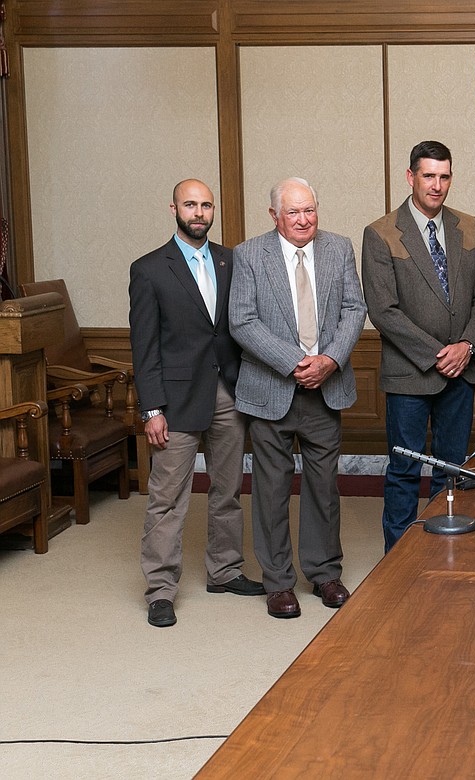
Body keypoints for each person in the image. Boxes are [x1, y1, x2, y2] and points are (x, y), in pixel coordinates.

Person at [129, 179, 264, 628]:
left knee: (228, 491)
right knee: (167, 499)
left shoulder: (231, 260)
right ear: (173, 208)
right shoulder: (149, 269)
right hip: (176, 401)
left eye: (206, 205)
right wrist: (152, 409)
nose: (200, 212)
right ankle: (161, 589)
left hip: (229, 392)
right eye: (191, 204)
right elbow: (144, 346)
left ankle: (224, 571)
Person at [229, 177, 367, 619]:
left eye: (310, 210)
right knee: (270, 490)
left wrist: (329, 360)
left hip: (326, 389)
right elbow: (242, 321)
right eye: (293, 212)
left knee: (324, 488)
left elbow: (353, 309)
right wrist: (294, 362)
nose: (304, 219)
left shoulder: (339, 247)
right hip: (271, 390)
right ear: (274, 216)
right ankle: (279, 583)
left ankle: (325, 572)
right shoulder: (250, 254)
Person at [362, 141, 475, 552]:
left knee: (450, 470)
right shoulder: (381, 233)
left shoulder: (468, 226)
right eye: (428, 176)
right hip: (410, 375)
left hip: (462, 371)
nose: (437, 186)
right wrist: (440, 354)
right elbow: (383, 311)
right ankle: (397, 561)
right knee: (404, 469)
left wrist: (467, 345)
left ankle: (443, 551)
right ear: (410, 176)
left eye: (444, 176)